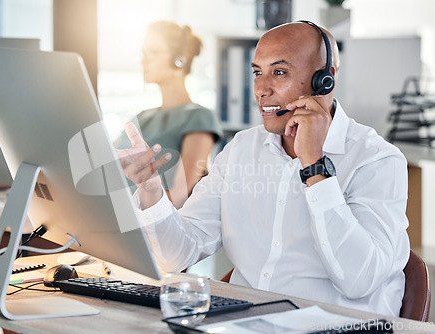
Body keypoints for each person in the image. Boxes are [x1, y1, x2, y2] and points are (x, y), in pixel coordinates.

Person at [116, 21, 410, 317]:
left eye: (279, 73)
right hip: (249, 323)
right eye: (257, 72)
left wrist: (315, 166)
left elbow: (359, 280)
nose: (260, 89)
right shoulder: (242, 149)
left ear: (326, 79)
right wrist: (150, 189)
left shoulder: (378, 160)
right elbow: (178, 254)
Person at [115, 21, 222, 209]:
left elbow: (180, 196)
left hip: (145, 226)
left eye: (153, 52)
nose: (143, 60)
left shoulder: (199, 117)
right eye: (143, 53)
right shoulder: (140, 117)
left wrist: (131, 216)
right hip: (111, 219)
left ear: (180, 59)